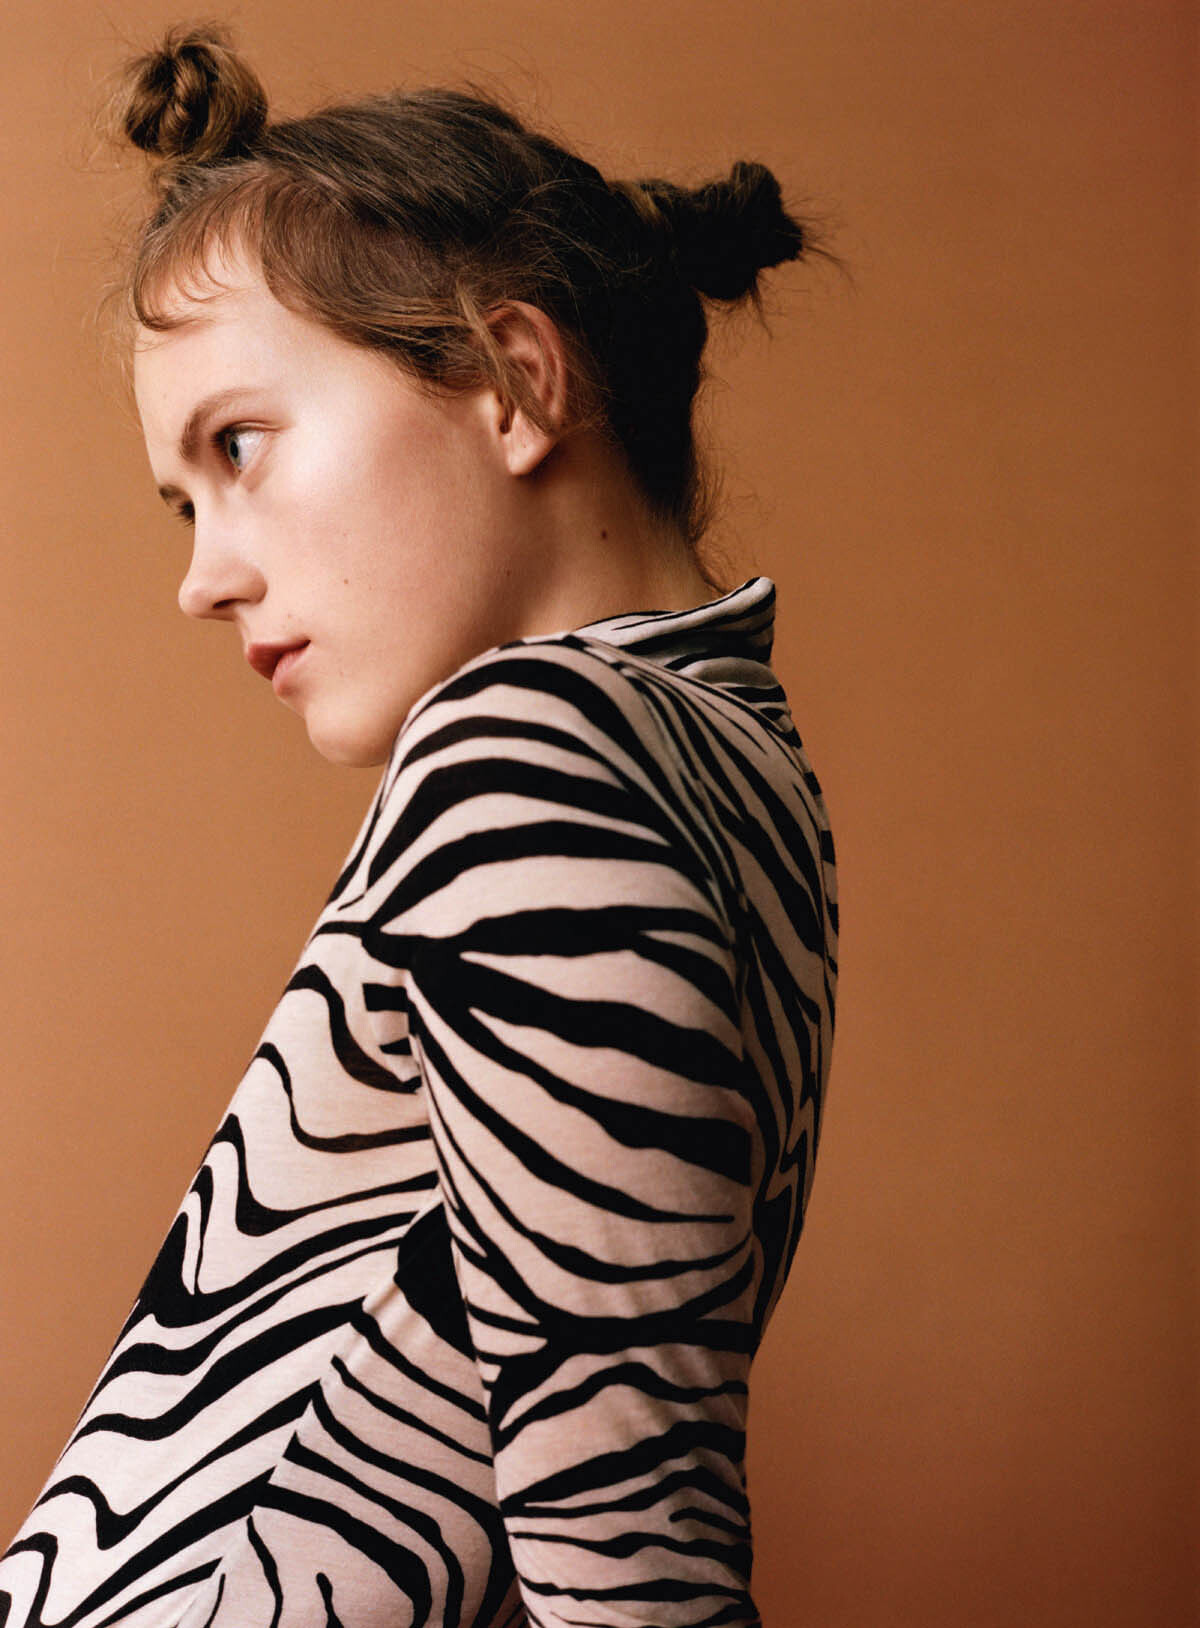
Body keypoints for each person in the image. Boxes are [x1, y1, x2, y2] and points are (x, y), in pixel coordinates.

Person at [0, 21, 840, 1628]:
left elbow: (629, 1539)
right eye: (184, 501)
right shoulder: (726, 757)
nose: (202, 577)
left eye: (241, 445)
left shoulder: (534, 749)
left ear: (515, 378)